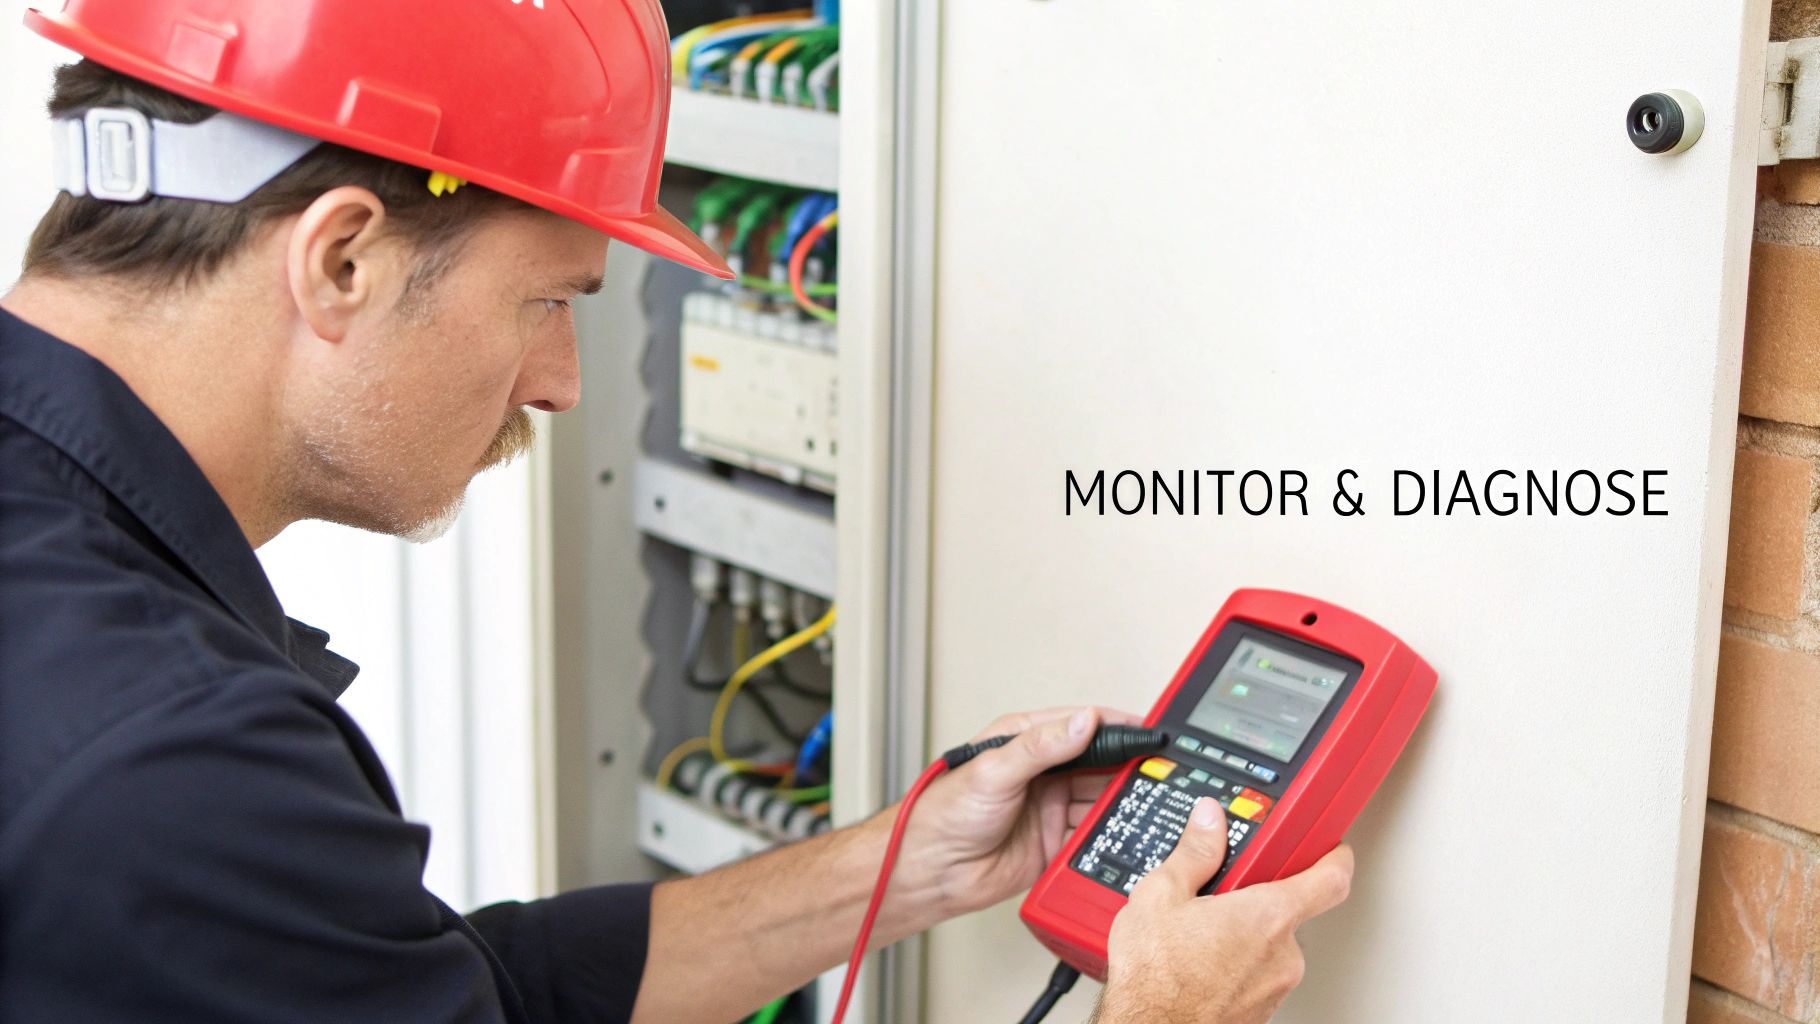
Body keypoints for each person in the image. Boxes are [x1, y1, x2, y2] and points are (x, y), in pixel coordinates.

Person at [0, 3, 1353, 1022]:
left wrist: (901, 868)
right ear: (341, 258)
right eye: (550, 302)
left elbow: (426, 990)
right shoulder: (168, 768)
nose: (565, 386)